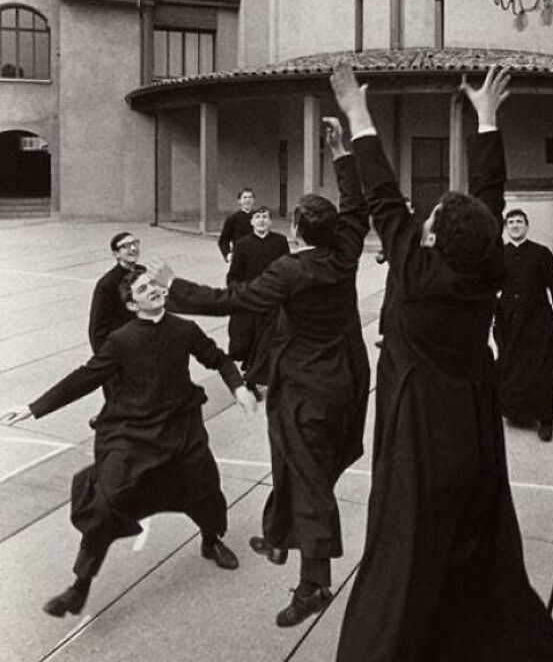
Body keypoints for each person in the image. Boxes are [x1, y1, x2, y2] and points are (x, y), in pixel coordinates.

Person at [313, 64, 553, 662]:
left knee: (390, 597)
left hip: (421, 448)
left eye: (425, 224)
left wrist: (355, 111)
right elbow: (471, 198)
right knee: (478, 581)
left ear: (428, 240)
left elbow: (385, 197)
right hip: (477, 451)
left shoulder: (417, 272)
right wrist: (485, 119)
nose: (418, 222)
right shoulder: (484, 266)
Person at [146, 118, 370, 629]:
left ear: (295, 231)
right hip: (347, 380)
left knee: (310, 481)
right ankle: (278, 533)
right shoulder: (347, 252)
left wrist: (173, 285)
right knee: (299, 466)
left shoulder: (291, 271)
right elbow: (356, 207)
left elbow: (233, 300)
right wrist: (342, 153)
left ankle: (314, 584)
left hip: (307, 389)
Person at [2, 269, 257, 618]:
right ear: (131, 303)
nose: (152, 289)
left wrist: (238, 387)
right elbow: (85, 377)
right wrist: (35, 407)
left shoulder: (184, 329)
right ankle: (79, 587)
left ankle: (211, 541)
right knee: (105, 505)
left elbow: (220, 359)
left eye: (154, 284)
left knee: (205, 489)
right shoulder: (121, 340)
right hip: (132, 433)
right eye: (143, 288)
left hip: (180, 429)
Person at [494, 209, 553, 442]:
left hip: (538, 321)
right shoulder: (499, 255)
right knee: (510, 367)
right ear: (506, 227)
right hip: (508, 321)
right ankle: (515, 411)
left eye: (519, 222)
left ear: (527, 226)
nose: (515, 226)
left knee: (543, 370)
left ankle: (545, 420)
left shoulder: (541, 254)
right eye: (511, 222)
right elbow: (489, 287)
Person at [227, 206, 290, 389]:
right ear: (252, 222)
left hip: (272, 298)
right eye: (258, 217)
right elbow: (233, 275)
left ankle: (258, 376)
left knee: (269, 339)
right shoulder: (243, 244)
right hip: (251, 298)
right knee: (249, 338)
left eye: (265, 217)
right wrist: (238, 292)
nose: (261, 220)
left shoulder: (280, 241)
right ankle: (250, 374)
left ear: (270, 221)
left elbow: (287, 268)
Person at [88, 231, 142, 354]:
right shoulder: (107, 284)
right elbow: (98, 328)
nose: (133, 248)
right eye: (126, 246)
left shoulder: (145, 273)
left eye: (135, 244)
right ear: (116, 254)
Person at [218, 187, 255, 281]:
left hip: (256, 256)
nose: (247, 200)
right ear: (239, 201)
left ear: (254, 200)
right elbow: (223, 240)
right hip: (239, 256)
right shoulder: (232, 219)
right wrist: (227, 254)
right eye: (245, 197)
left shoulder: (258, 217)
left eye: (250, 197)